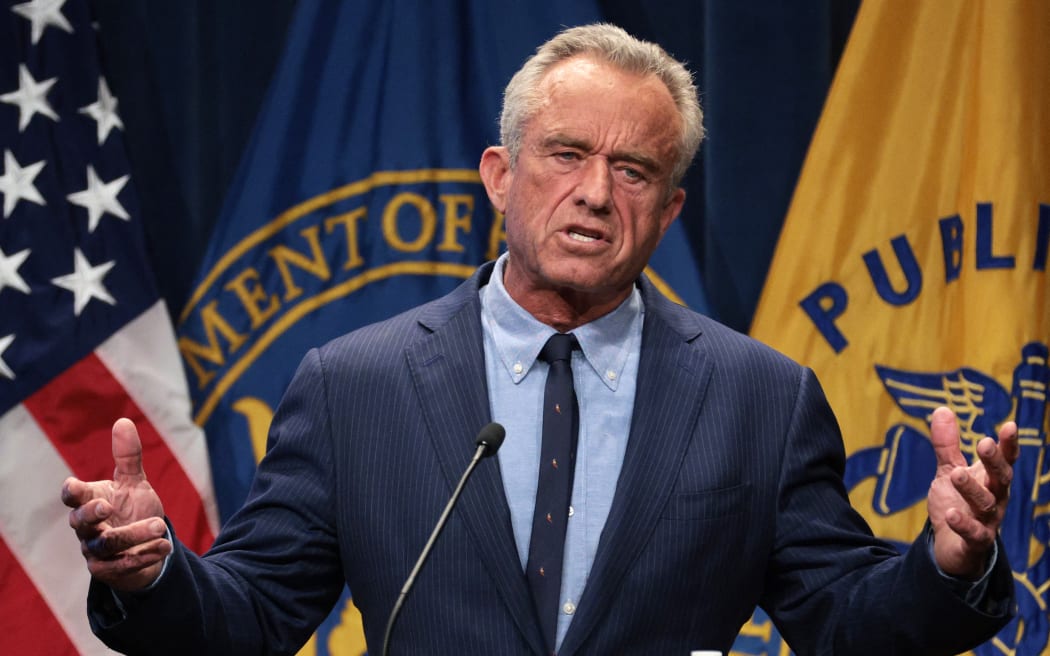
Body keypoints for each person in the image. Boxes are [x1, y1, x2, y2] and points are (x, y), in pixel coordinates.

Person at [63, 23, 1018, 655]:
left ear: (671, 208)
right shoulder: (356, 385)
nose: (597, 193)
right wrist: (155, 578)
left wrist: (946, 566)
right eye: (567, 155)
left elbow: (845, 626)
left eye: (634, 170)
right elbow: (256, 613)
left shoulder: (759, 399)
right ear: (501, 175)